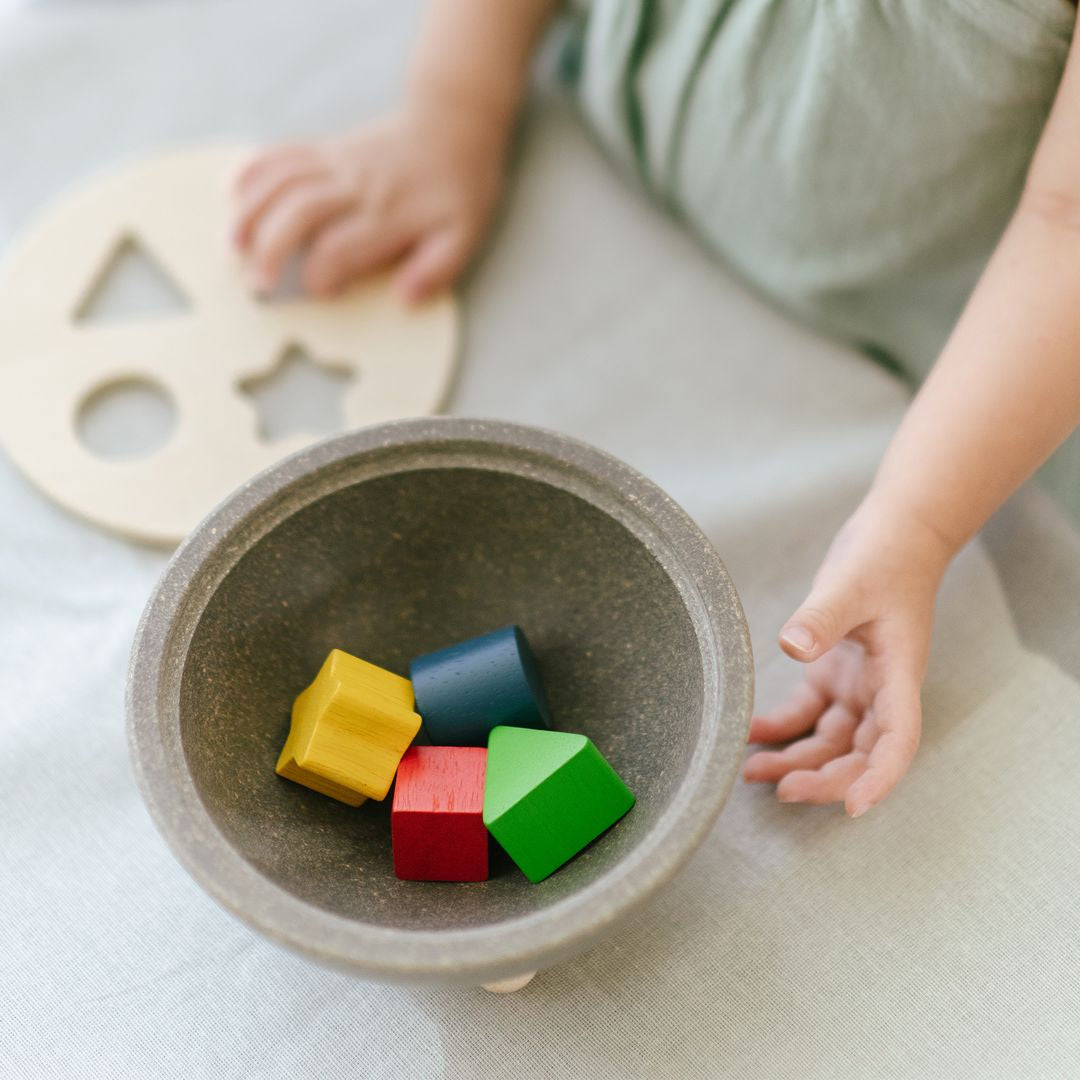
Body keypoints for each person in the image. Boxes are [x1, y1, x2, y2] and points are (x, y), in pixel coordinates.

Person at [231, 0, 1080, 818]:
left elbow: (1066, 223)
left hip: (942, 346)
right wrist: (455, 107)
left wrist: (917, 525)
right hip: (597, 151)